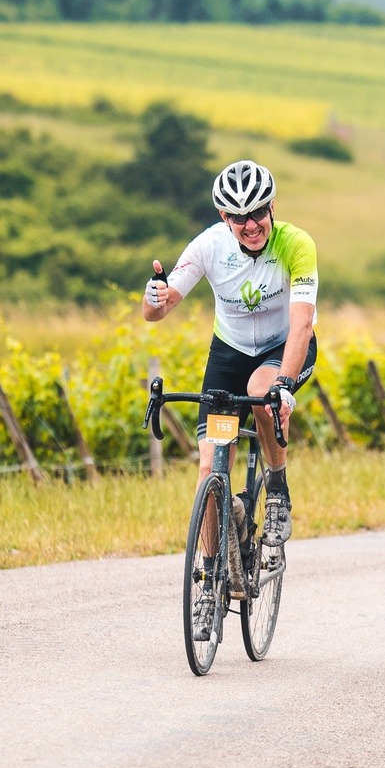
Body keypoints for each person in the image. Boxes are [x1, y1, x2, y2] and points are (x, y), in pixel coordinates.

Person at [142, 158, 318, 557]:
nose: (250, 224)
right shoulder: (209, 246)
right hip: (229, 354)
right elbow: (158, 310)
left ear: (272, 207)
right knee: (209, 470)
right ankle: (209, 577)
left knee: (262, 392)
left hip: (283, 345)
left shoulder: (296, 244)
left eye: (258, 212)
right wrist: (152, 297)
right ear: (224, 216)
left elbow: (302, 324)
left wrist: (284, 385)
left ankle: (276, 491)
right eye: (239, 217)